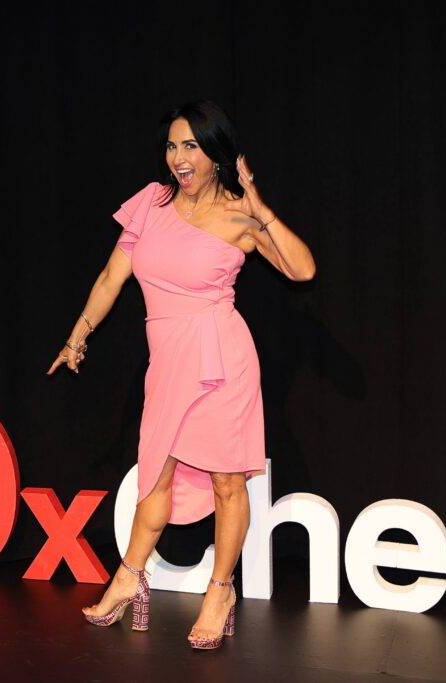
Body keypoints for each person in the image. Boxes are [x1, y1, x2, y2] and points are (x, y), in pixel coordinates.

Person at [46, 100, 315, 650]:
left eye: (190, 146)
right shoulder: (151, 204)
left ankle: (220, 591)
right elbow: (109, 278)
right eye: (171, 146)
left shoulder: (241, 216)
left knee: (225, 480)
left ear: (215, 154)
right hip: (168, 364)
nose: (177, 157)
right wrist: (77, 337)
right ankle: (128, 578)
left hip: (221, 360)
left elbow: (302, 269)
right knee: (156, 476)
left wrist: (260, 208)